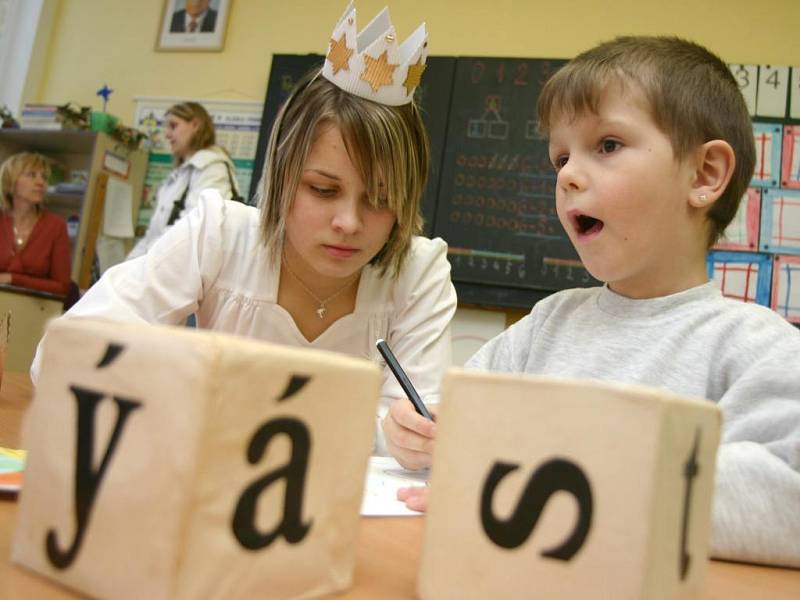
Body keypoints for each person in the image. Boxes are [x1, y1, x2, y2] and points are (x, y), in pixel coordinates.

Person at [393, 36, 800, 568]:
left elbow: (786, 500)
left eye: (607, 145)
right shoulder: (547, 325)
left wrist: (571, 484)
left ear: (704, 176)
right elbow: (463, 427)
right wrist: (418, 434)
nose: (567, 174)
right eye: (560, 157)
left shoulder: (755, 346)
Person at [32, 3, 456, 458]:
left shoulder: (419, 272)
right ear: (282, 174)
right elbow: (61, 354)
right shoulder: (219, 234)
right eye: (322, 189)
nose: (349, 223)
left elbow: (416, 421)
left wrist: (406, 438)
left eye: (381, 199)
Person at [128, 101, 239, 260]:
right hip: (161, 264)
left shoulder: (212, 168)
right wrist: (124, 270)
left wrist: (143, 265)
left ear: (195, 125)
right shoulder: (179, 176)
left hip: (182, 270)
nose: (167, 134)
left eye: (173, 126)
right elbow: (152, 236)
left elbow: (194, 229)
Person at [0, 152, 71, 296]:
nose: (41, 182)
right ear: (10, 182)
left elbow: (62, 287)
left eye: (44, 177)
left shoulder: (56, 226)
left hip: (34, 309)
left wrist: (12, 279)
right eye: (31, 175)